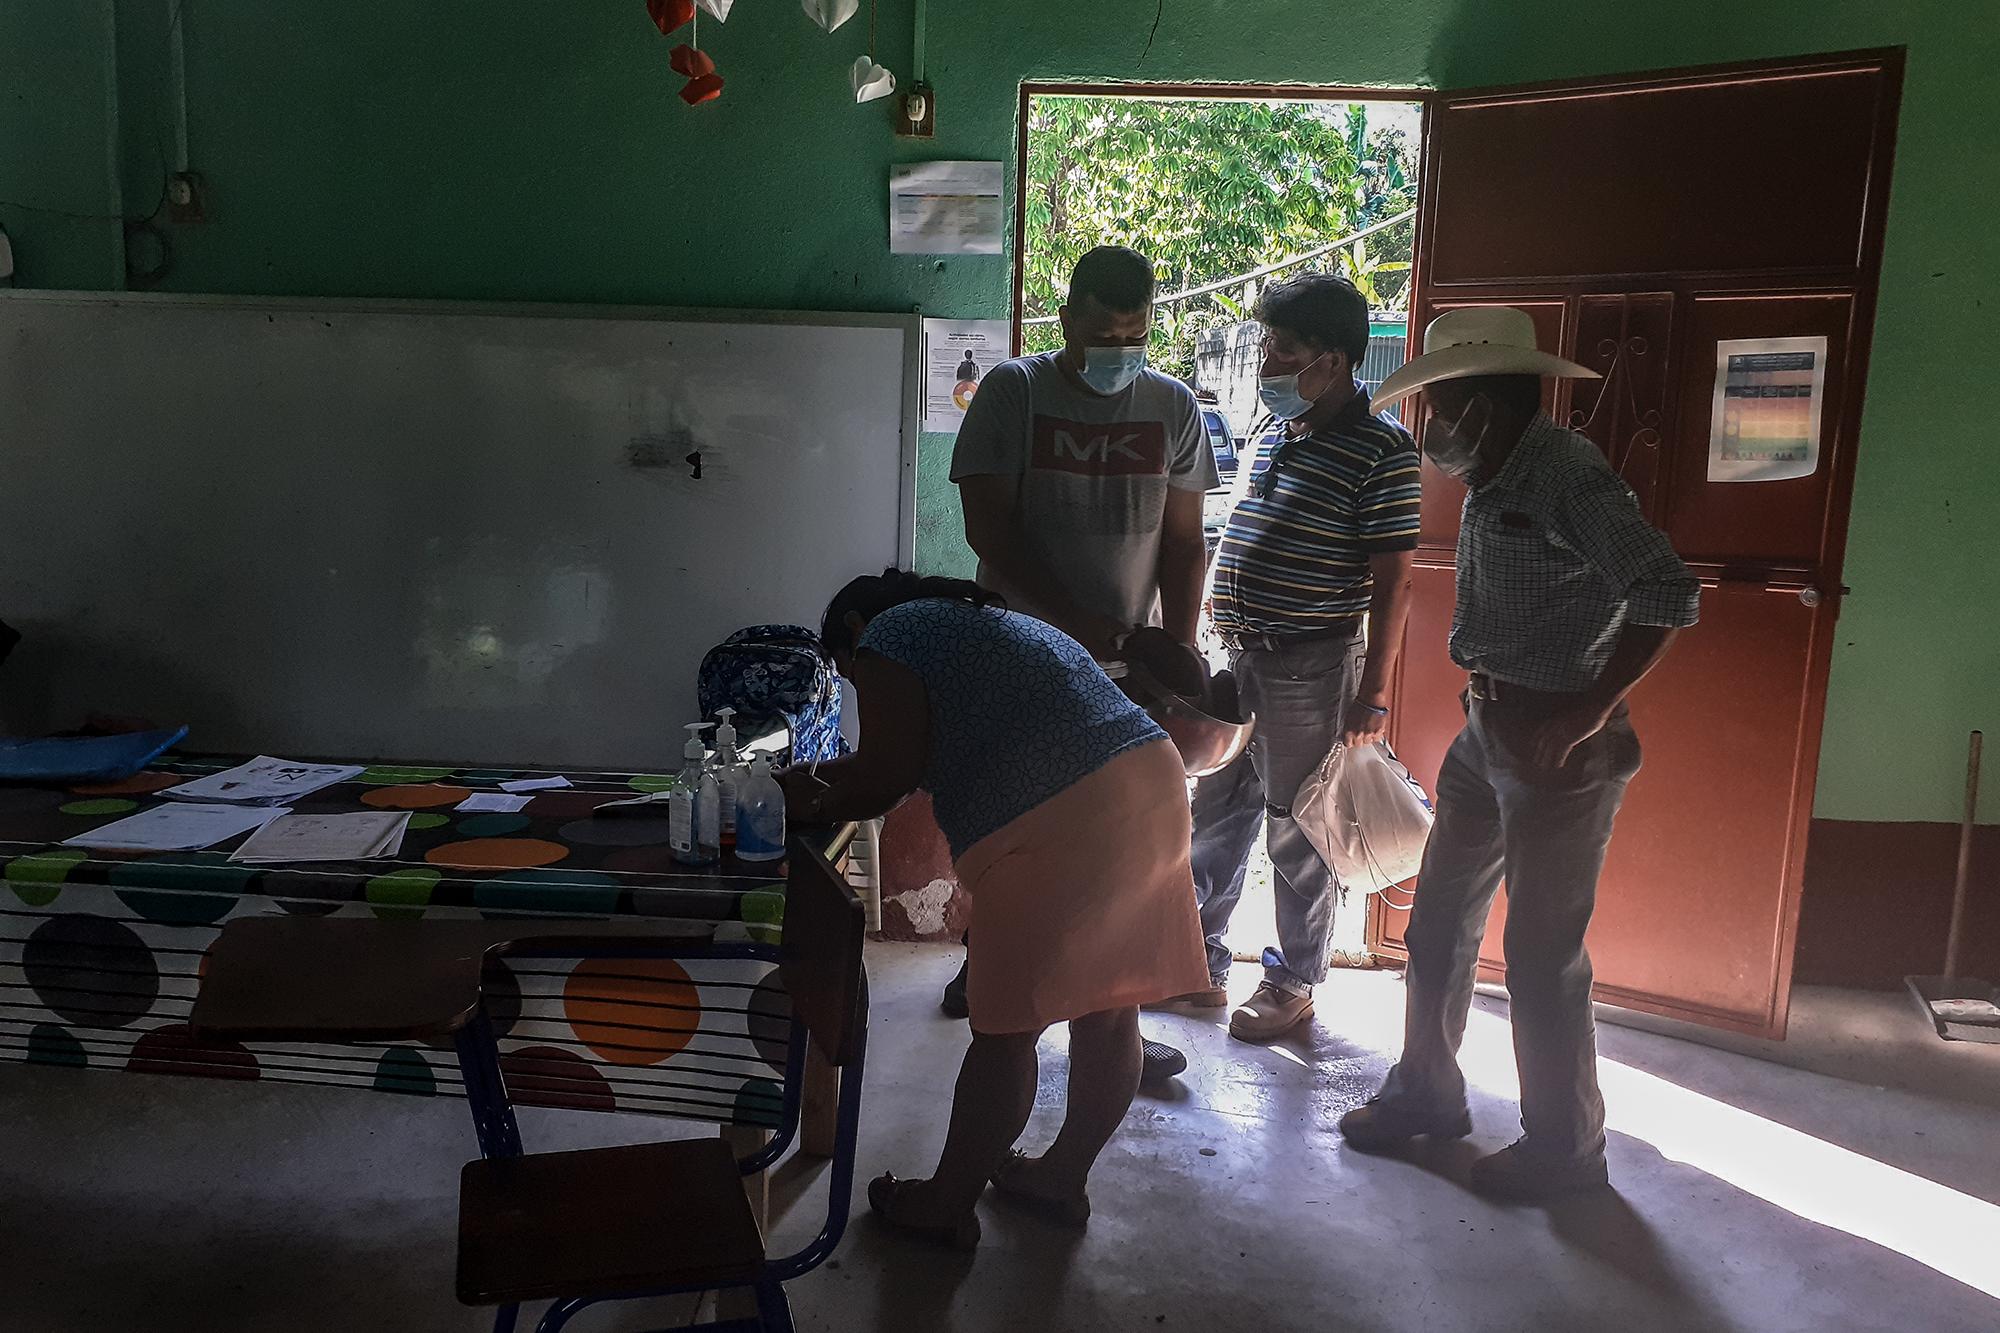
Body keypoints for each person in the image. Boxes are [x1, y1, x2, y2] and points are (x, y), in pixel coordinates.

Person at [1337, 307, 1701, 1202]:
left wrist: (1582, 712)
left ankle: (1565, 1150)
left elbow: (1668, 590)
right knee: (1436, 924)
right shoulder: (1498, 474)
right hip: (1485, 728)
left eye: (1443, 404)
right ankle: (1426, 1093)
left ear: (1487, 407)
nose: (1431, 426)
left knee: (1540, 953)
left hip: (1559, 750)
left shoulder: (1566, 477)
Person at [784, 570, 1210, 1247]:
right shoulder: (969, 625)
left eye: (852, 674)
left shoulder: (889, 636)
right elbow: (895, 762)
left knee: (1005, 1031)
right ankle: (1060, 1177)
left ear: (856, 632)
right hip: (1150, 786)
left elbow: (884, 779)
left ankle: (945, 1203)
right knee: (1110, 1010)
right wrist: (800, 782)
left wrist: (801, 804)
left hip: (1064, 819)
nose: (862, 686)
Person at [947, 243, 1217, 1083]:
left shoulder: (1172, 407)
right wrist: (1072, 624)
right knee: (1012, 830)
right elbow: (987, 528)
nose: (1119, 351)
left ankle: (1112, 1015)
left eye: (1133, 335)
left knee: (1117, 851)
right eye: (1102, 334)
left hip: (1126, 667)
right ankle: (990, 967)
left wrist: (1178, 645)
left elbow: (1182, 540)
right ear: (1065, 321)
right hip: (1018, 655)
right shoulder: (1015, 392)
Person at [1177, 274, 1420, 1043]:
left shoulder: (1383, 449)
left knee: (1298, 825)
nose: (1268, 361)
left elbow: (1395, 583)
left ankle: (1290, 980)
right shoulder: (1274, 432)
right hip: (1241, 655)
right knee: (1217, 812)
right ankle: (1200, 961)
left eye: (1286, 348)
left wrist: (1372, 694)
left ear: (1336, 360)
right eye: (1268, 344)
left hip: (1311, 667)